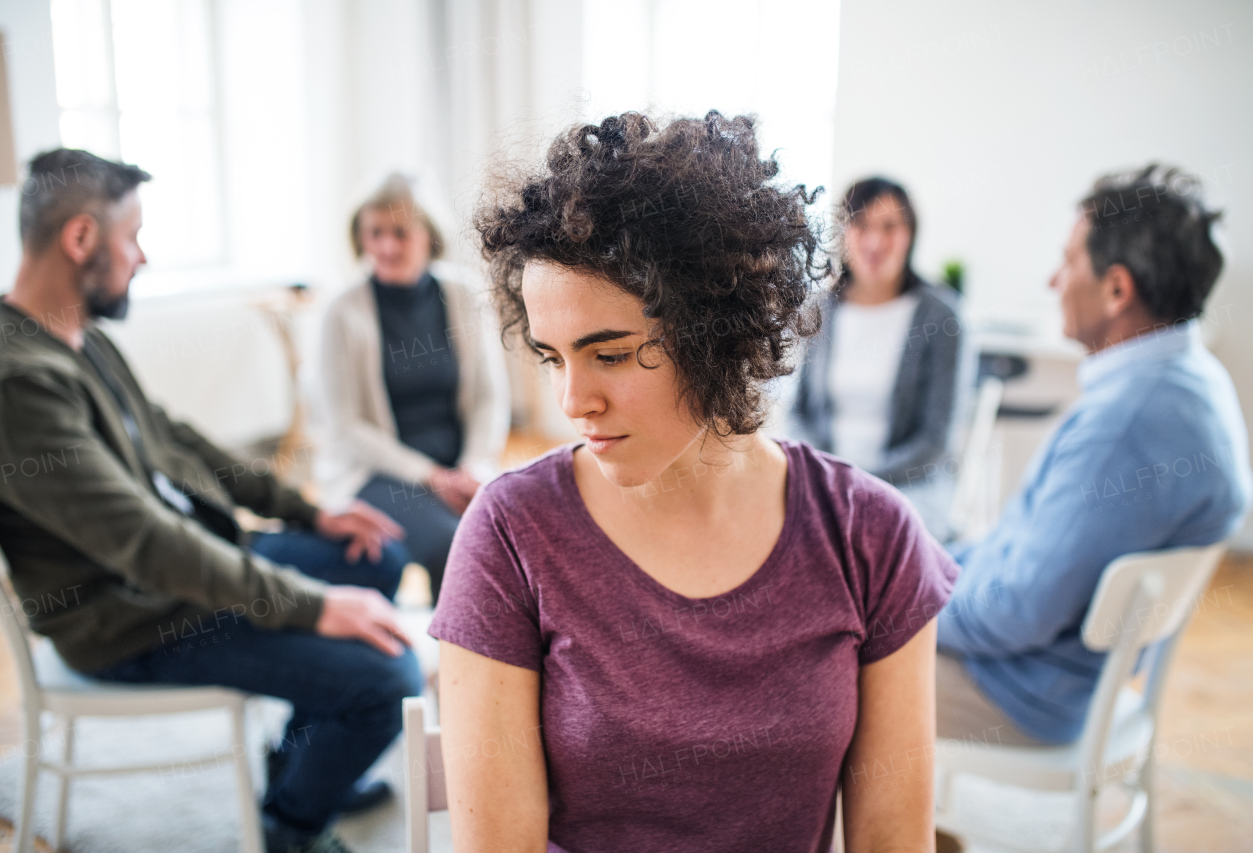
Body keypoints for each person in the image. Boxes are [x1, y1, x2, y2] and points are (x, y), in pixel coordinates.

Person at [430, 112, 960, 853]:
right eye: (552, 356)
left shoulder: (871, 535)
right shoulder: (513, 532)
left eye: (608, 354)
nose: (571, 399)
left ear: (714, 332)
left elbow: (893, 843)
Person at [0, 149, 424, 853]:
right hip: (131, 618)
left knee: (370, 552)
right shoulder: (16, 382)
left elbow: (172, 440)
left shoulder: (72, 335)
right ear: (82, 238)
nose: (142, 257)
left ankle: (299, 766)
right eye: (134, 236)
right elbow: (146, 543)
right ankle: (290, 826)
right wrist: (313, 605)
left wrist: (307, 509)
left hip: (182, 571)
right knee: (389, 677)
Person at [936, 165, 1252, 748]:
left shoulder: (1121, 428)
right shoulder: (1195, 379)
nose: (1054, 281)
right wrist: (926, 565)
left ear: (1116, 290)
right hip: (1075, 679)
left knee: (825, 668)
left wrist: (899, 604)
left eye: (1069, 261)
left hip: (1021, 694)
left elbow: (1012, 613)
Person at [316, 174, 509, 604]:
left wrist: (474, 468)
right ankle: (454, 658)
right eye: (375, 233)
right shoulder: (341, 311)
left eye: (400, 233)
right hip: (378, 474)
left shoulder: (463, 295)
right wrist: (432, 477)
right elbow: (346, 428)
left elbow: (488, 399)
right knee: (456, 544)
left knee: (511, 532)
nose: (386, 246)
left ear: (428, 236)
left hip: (460, 467)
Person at [788, 177, 964, 539]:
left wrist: (860, 481)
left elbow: (934, 442)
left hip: (909, 485)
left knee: (870, 538)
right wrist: (827, 475)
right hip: (827, 479)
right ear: (843, 233)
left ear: (910, 234)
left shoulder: (941, 317)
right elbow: (799, 414)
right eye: (862, 225)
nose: (875, 241)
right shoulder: (822, 310)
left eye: (889, 227)